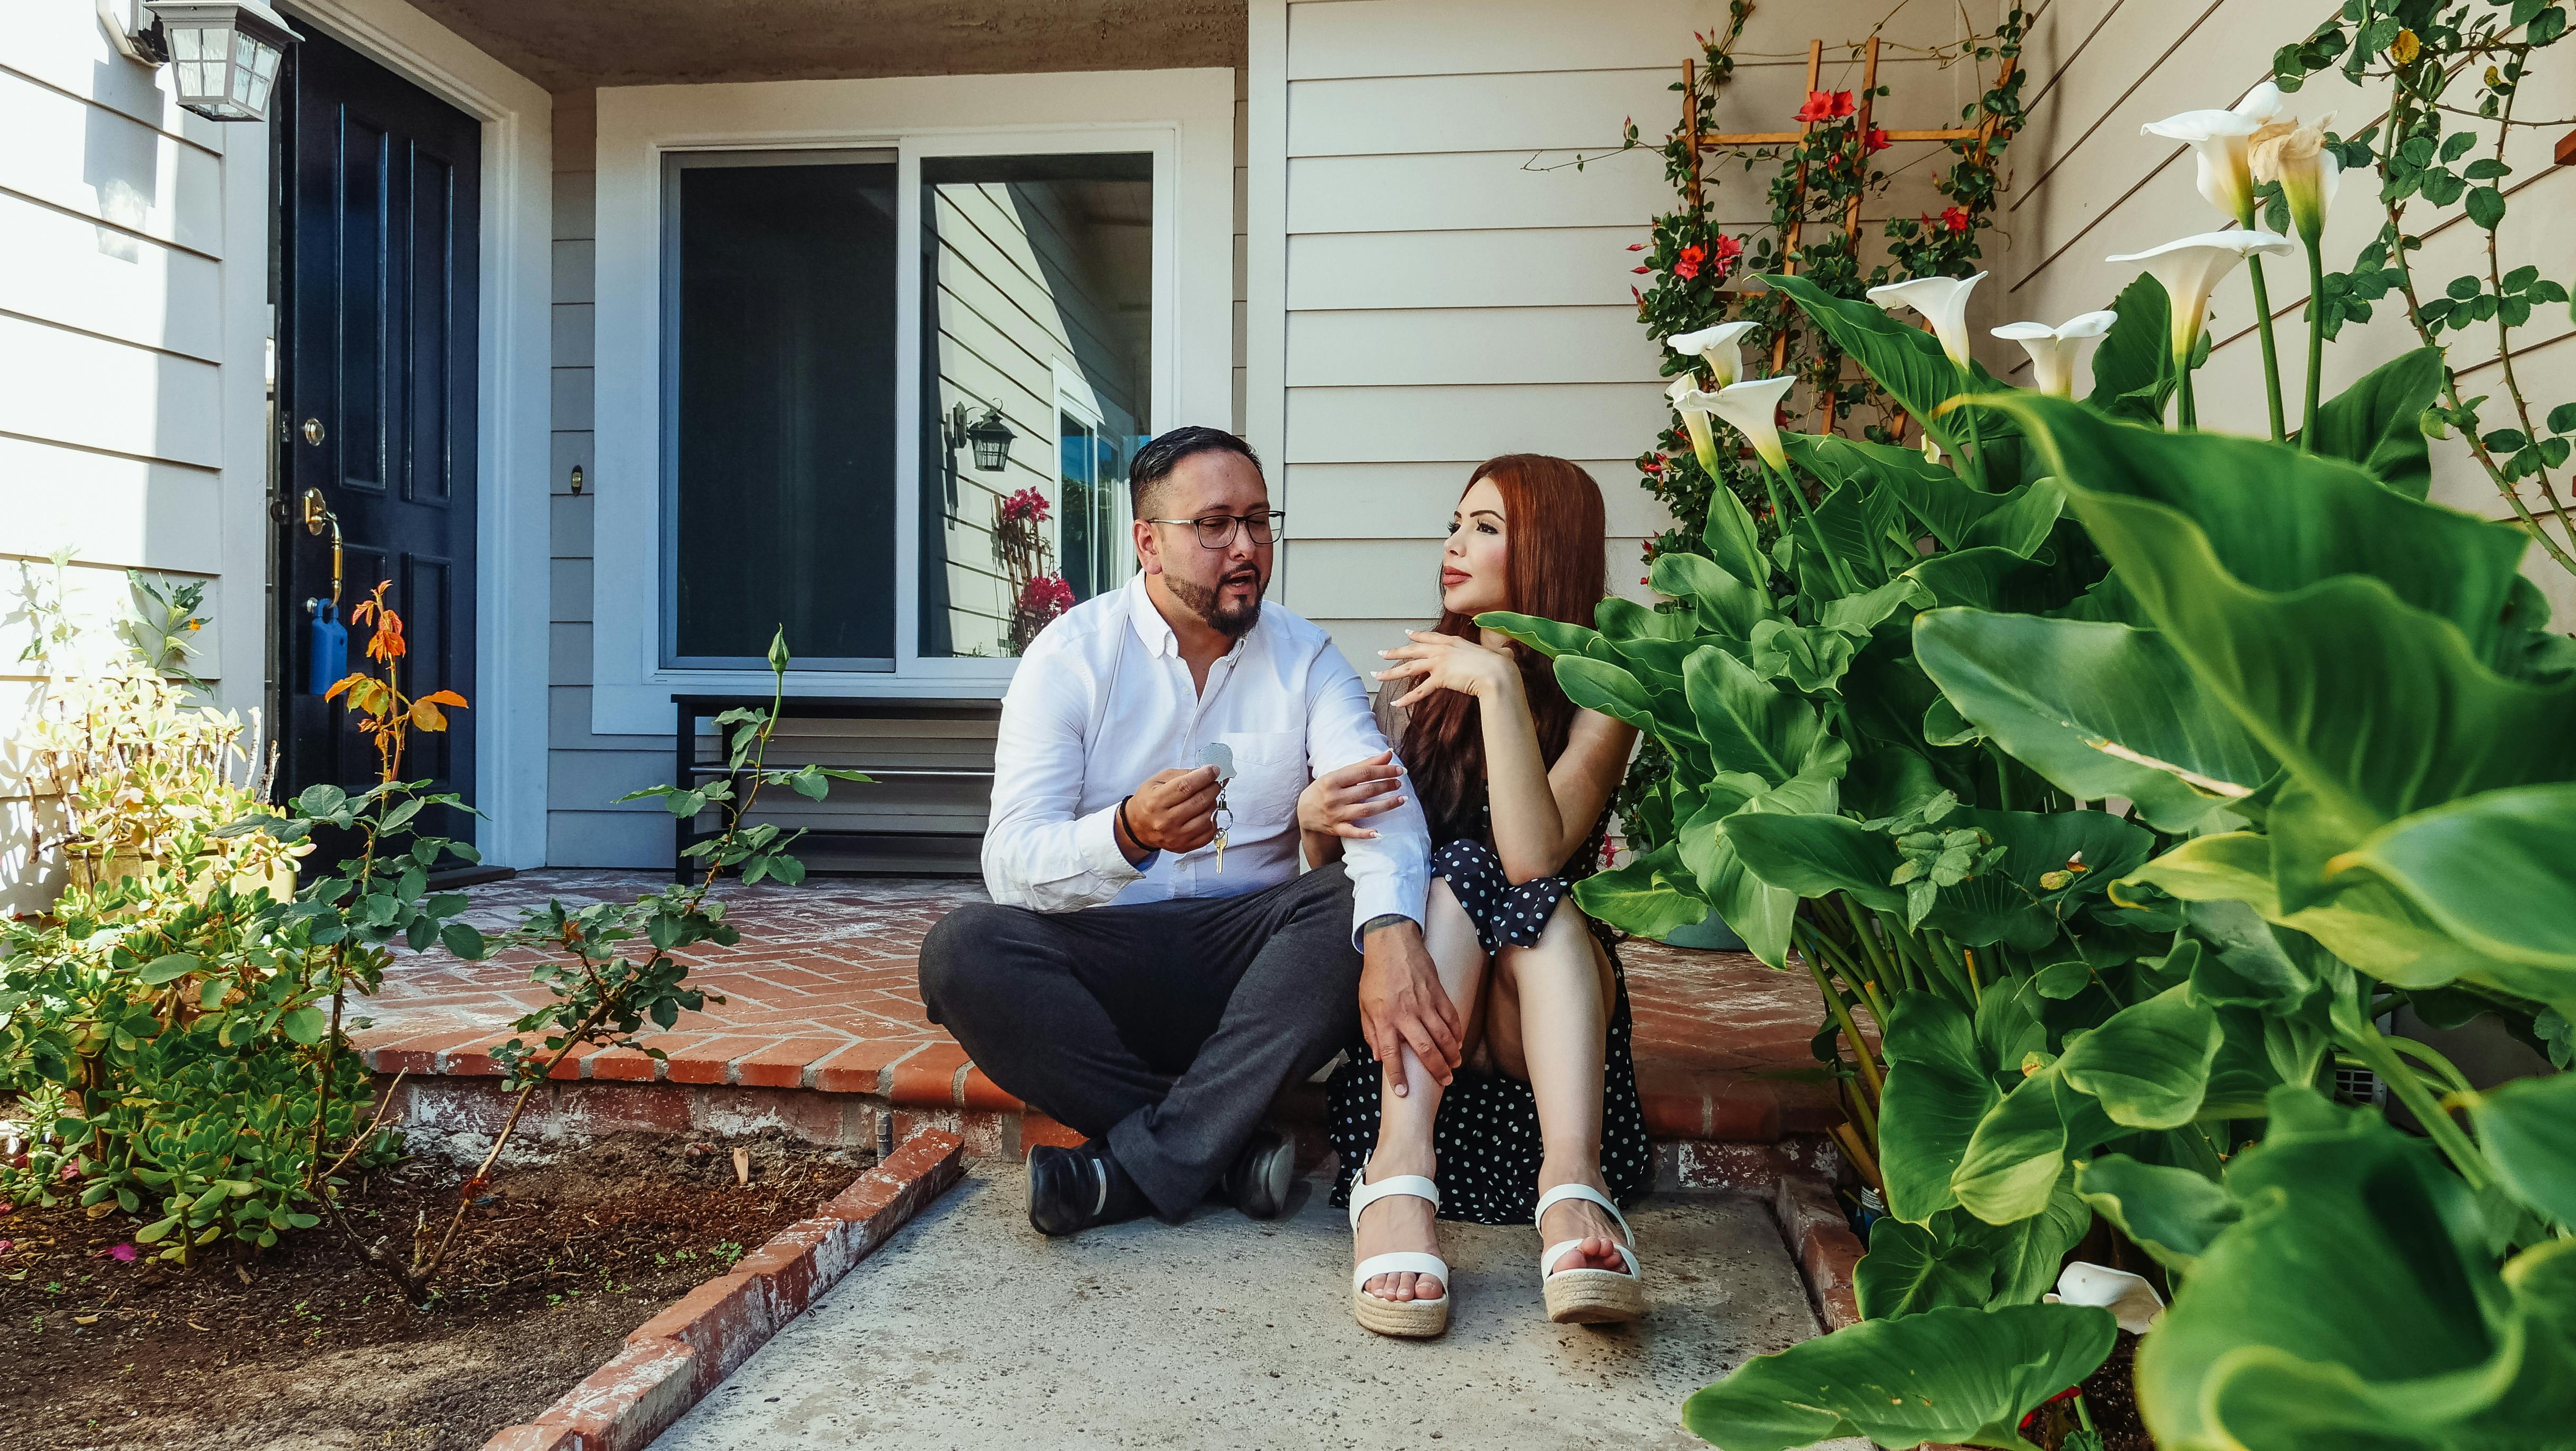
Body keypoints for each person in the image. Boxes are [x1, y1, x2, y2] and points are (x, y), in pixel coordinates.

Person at [919, 426, 1453, 1240]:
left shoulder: (1305, 657)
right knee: (965, 950)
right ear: (1148, 542)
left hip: (1254, 979)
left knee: (1361, 896)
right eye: (1213, 525)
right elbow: (1011, 863)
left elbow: (1383, 803)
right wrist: (1127, 833)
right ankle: (1220, 1152)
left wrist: (1387, 932)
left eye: (1258, 521)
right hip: (1104, 969)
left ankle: (1127, 1170)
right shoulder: (1070, 658)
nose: (1243, 547)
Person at [1307, 454, 1649, 1337]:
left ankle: (1573, 1186)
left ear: (1546, 550)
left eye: (1485, 528)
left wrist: (1497, 678)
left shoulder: (1601, 691)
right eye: (1455, 524)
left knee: (1539, 900)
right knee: (1449, 875)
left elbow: (1535, 856)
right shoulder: (1412, 685)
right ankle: (1395, 1180)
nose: (1454, 545)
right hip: (1430, 1067)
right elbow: (1333, 879)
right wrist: (1312, 817)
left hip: (1543, 1039)